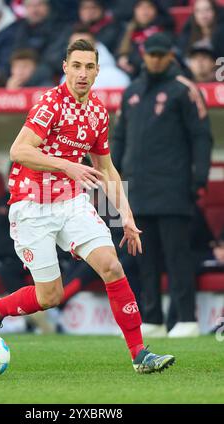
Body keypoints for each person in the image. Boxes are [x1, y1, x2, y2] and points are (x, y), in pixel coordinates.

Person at [0, 38, 175, 374]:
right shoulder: (49, 105)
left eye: (89, 67)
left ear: (98, 71)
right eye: (77, 66)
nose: (83, 73)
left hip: (71, 202)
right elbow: (19, 151)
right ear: (65, 68)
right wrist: (66, 165)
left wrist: (125, 215)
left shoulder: (97, 112)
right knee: (50, 297)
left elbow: (107, 168)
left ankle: (140, 354)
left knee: (112, 265)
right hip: (31, 205)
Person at [112, 32, 213, 338]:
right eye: (150, 54)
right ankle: (152, 319)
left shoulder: (184, 90)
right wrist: (112, 179)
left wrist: (199, 178)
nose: (154, 59)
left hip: (173, 188)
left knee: (177, 256)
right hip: (138, 190)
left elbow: (201, 137)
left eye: (160, 54)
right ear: (143, 55)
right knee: (145, 259)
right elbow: (118, 139)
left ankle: (186, 319)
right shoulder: (131, 91)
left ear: (171, 55)